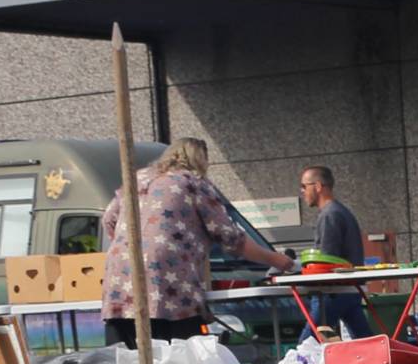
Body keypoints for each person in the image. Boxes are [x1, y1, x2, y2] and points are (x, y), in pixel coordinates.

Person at [100, 138, 292, 348]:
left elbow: (108, 219)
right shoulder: (193, 183)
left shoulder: (137, 179)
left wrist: (129, 243)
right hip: (167, 278)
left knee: (126, 356)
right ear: (200, 160)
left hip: (120, 275)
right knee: (180, 354)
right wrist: (278, 260)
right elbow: (230, 237)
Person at [297, 163, 374, 338]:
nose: (302, 191)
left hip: (332, 291)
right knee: (364, 340)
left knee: (308, 342)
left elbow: (326, 260)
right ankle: (380, 356)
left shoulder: (329, 215)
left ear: (318, 186)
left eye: (304, 186)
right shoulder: (341, 212)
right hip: (349, 289)